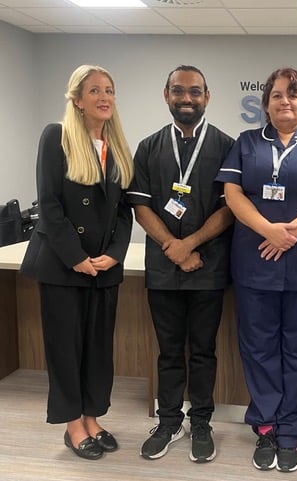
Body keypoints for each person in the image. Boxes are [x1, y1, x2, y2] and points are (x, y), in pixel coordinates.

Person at [216, 67, 297, 473]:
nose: (285, 101)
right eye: (276, 95)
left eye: (293, 95)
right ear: (266, 104)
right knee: (257, 348)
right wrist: (268, 230)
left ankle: (292, 430)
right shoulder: (246, 143)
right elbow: (232, 193)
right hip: (255, 264)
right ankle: (266, 426)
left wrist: (292, 232)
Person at [20, 65, 134, 460]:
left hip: (103, 268)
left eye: (109, 90)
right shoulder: (57, 136)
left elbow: (123, 212)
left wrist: (113, 256)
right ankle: (72, 425)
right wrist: (77, 258)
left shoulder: (116, 146)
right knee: (66, 348)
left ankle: (92, 416)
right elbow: (49, 207)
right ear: (77, 99)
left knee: (98, 348)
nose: (104, 97)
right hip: (63, 266)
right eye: (94, 90)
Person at [126, 65, 234, 463]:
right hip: (163, 269)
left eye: (194, 92)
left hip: (208, 267)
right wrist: (173, 246)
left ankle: (201, 421)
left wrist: (189, 244)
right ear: (166, 94)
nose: (186, 99)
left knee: (203, 351)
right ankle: (169, 420)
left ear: (208, 96)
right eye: (178, 91)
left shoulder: (226, 146)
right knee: (169, 351)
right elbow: (140, 205)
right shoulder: (149, 147)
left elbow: (230, 208)